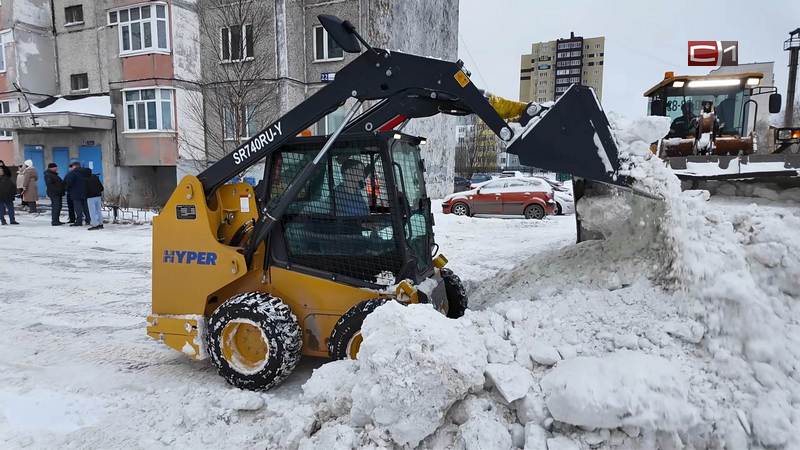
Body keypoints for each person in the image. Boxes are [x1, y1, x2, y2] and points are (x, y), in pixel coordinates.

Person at [64, 161, 91, 226]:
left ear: (74, 166)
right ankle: (88, 220)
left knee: (78, 207)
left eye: (72, 166)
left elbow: (68, 182)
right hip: (85, 192)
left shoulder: (73, 173)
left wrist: (66, 189)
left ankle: (79, 221)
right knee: (85, 207)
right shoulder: (86, 172)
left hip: (75, 193)